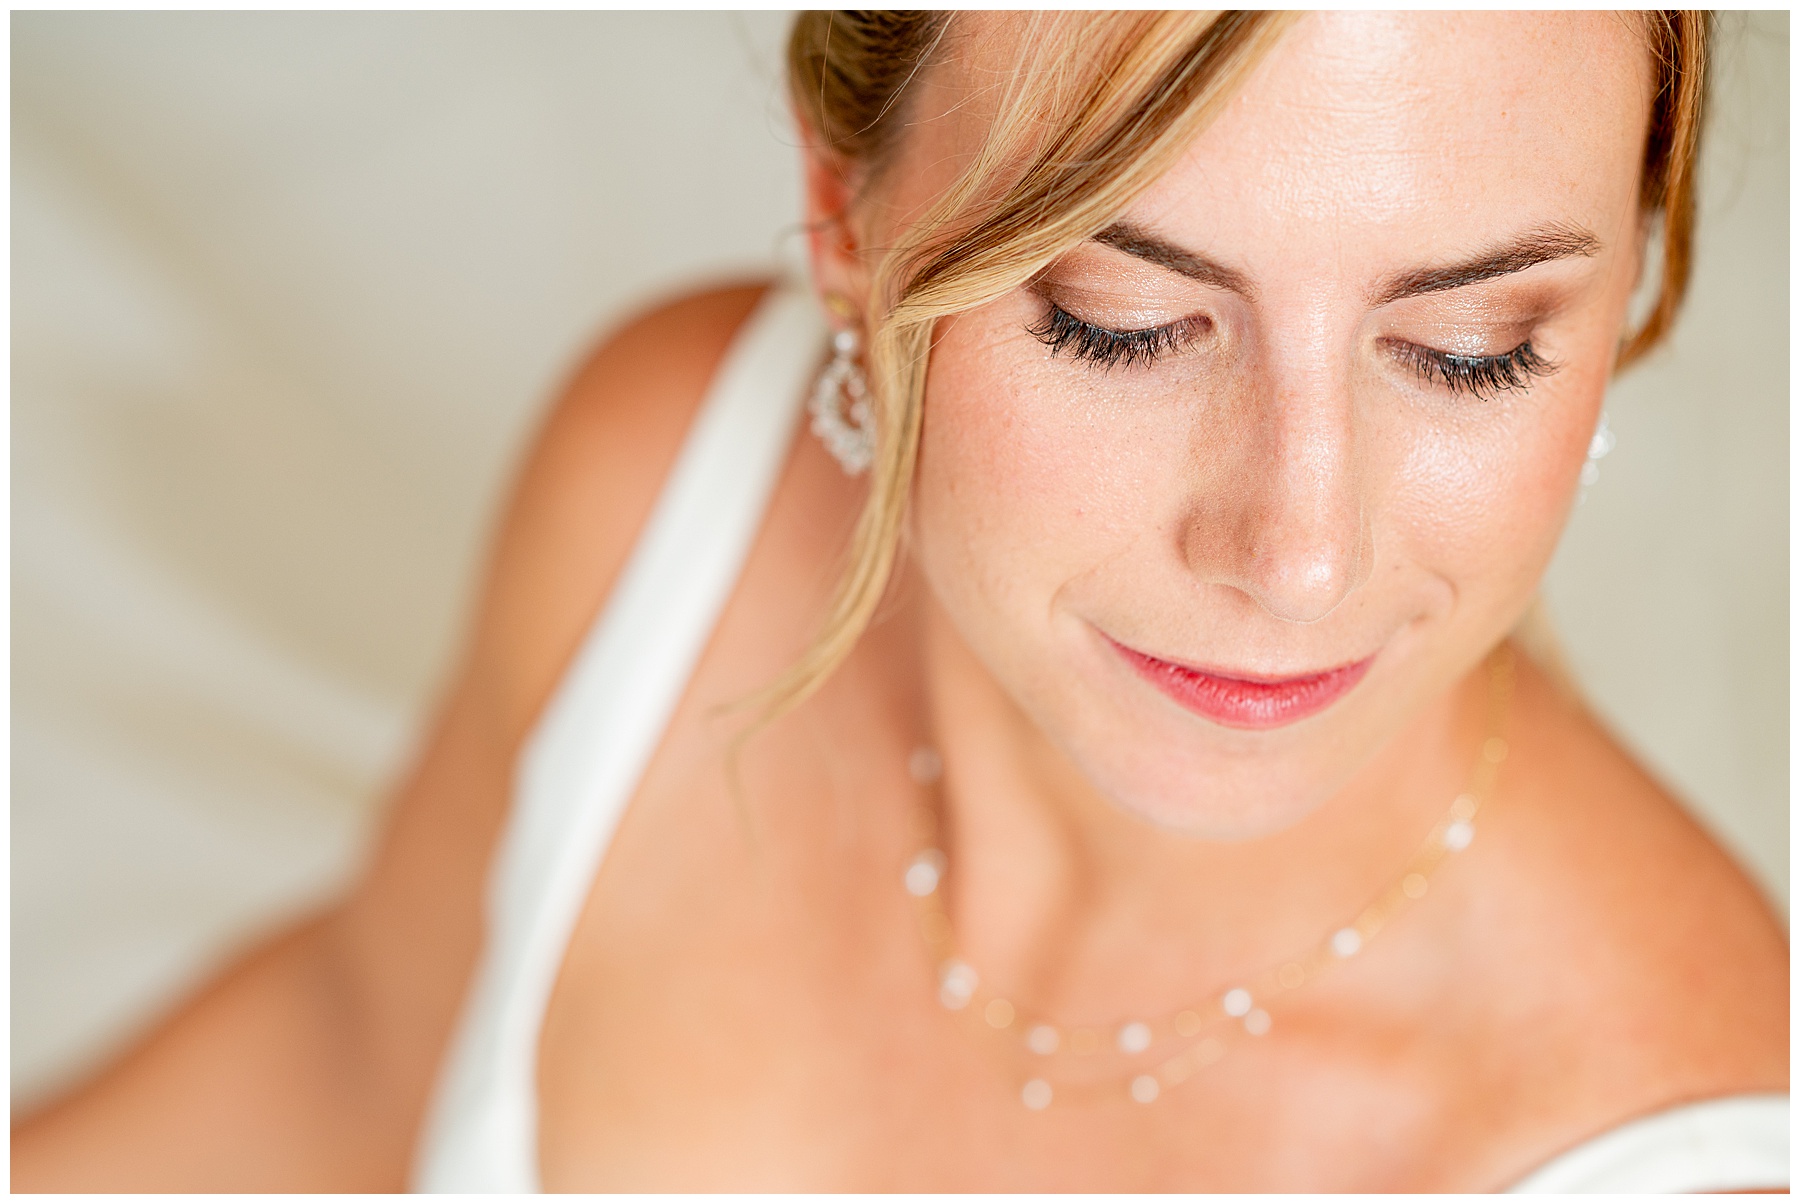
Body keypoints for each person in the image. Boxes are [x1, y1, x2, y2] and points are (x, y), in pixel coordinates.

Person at [12, 11, 1787, 1192]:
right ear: (839, 212)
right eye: (1124, 318)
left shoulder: (1665, 1154)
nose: (1297, 551)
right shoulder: (667, 493)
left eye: (1474, 352)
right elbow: (349, 1059)